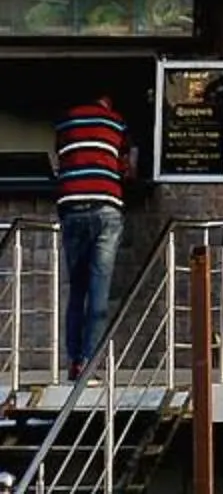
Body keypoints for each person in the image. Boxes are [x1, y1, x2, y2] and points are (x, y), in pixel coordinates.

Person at [54, 90, 133, 380]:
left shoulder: (64, 122)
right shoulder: (116, 123)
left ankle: (73, 361)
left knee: (77, 290)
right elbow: (127, 168)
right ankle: (88, 363)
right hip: (105, 209)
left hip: (72, 208)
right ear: (108, 101)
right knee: (99, 292)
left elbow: (61, 161)